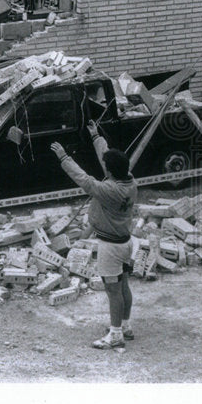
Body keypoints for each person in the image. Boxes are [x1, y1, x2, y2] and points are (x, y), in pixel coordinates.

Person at [51, 123, 138, 349]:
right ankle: (125, 326)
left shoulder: (108, 190)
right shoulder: (129, 180)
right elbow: (107, 160)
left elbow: (84, 179)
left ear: (109, 171)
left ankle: (116, 334)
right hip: (126, 242)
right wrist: (96, 137)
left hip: (110, 247)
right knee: (123, 286)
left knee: (113, 291)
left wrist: (63, 157)